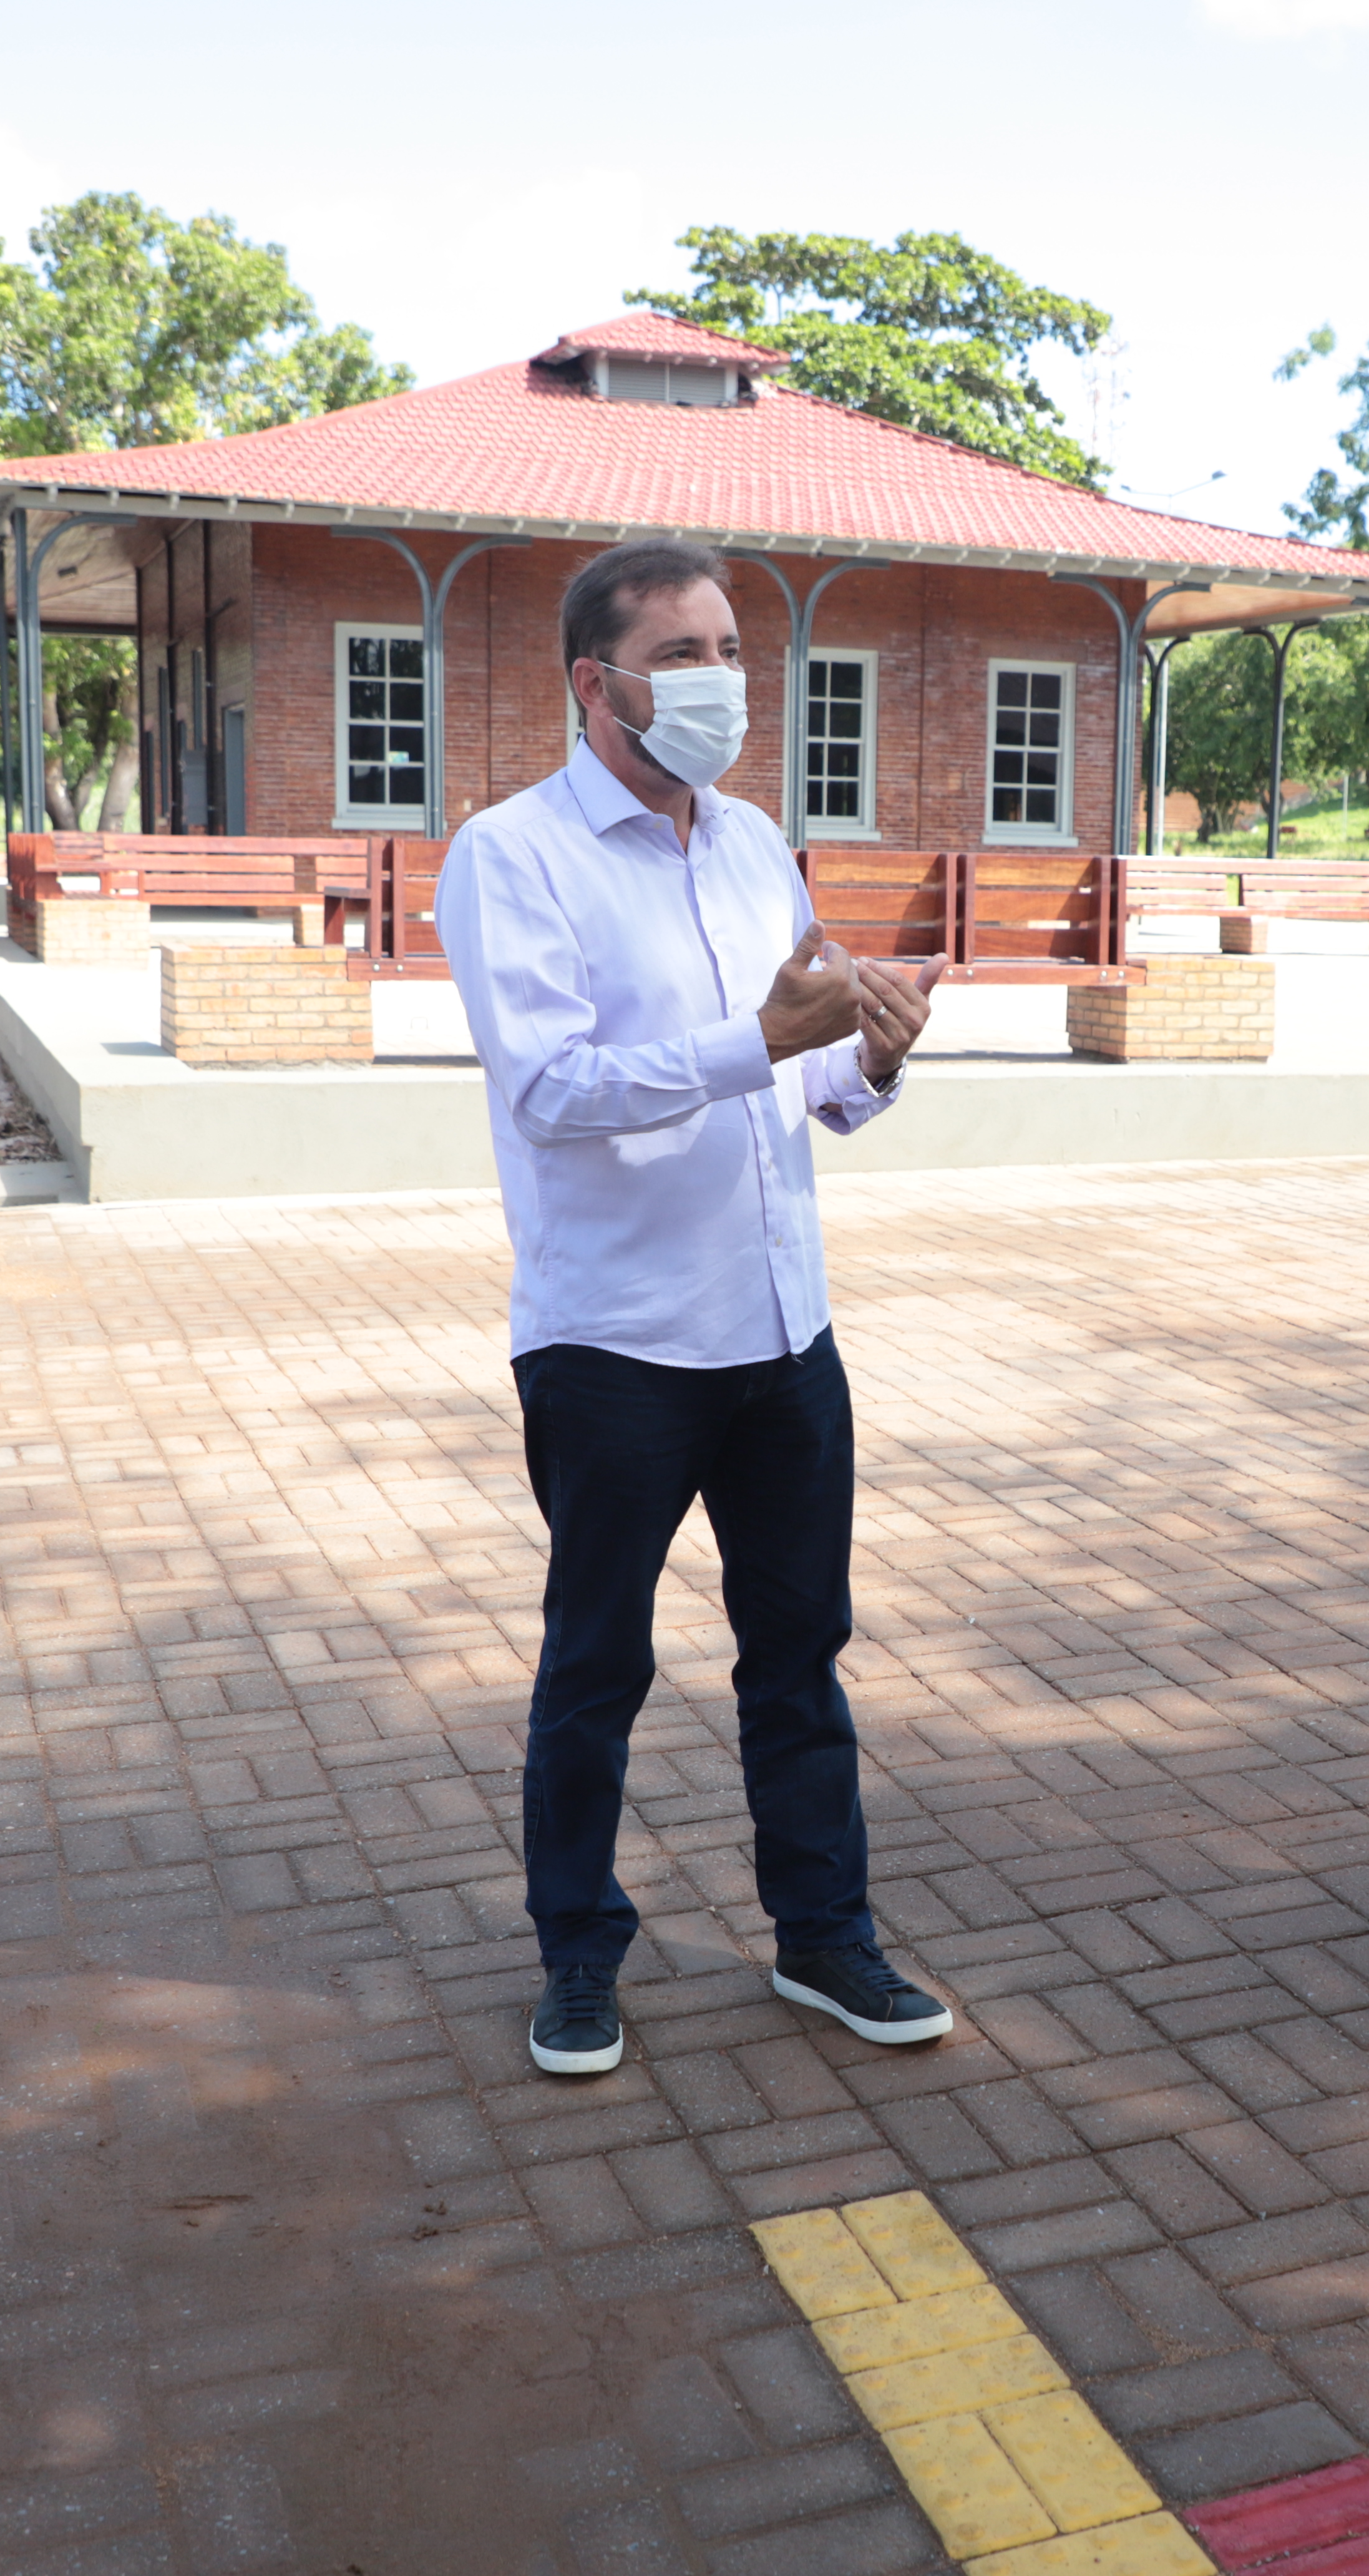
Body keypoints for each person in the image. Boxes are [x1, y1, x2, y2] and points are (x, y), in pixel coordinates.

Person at [437, 536, 956, 2080]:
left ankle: (824, 1936)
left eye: (731, 647)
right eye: (685, 653)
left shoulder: (748, 846)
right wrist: (757, 1040)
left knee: (800, 1654)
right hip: (618, 1347)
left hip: (784, 1336)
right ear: (596, 683)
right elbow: (549, 1092)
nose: (723, 680)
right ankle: (579, 1956)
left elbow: (798, 1080)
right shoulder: (512, 853)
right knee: (596, 1665)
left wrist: (870, 1056)